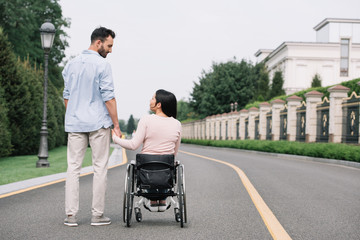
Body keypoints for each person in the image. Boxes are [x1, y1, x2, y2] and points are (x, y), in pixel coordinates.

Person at [62, 27, 122, 227]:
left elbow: (67, 96)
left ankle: (71, 216)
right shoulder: (102, 65)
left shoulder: (70, 65)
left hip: (75, 123)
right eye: (109, 45)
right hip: (98, 123)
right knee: (99, 168)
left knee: (73, 168)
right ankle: (97, 216)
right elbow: (109, 98)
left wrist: (73, 115)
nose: (111, 50)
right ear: (99, 42)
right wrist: (116, 125)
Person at [112, 89, 181, 211]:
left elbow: (133, 145)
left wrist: (115, 139)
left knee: (143, 166)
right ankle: (162, 199)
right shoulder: (177, 124)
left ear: (159, 104)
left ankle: (153, 200)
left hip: (147, 168)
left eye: (153, 98)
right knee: (169, 163)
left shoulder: (146, 120)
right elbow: (174, 153)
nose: (150, 100)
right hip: (166, 169)